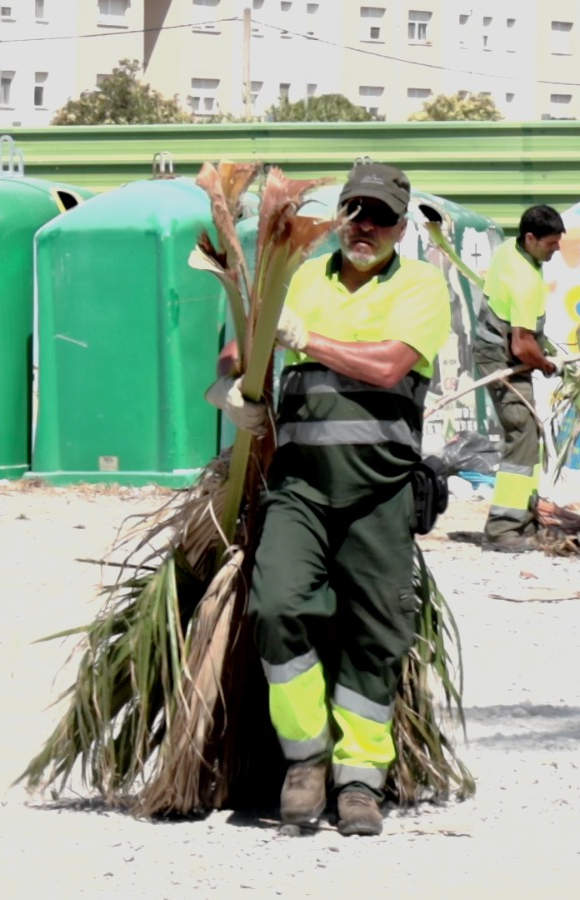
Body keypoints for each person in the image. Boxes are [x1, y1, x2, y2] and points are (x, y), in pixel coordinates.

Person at [205, 161, 451, 836]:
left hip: (380, 491)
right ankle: (305, 759)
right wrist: (237, 380)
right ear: (340, 215)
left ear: (402, 226)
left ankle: (361, 781)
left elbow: (389, 364)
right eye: (356, 212)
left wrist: (299, 336)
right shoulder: (302, 277)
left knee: (375, 632)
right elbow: (241, 345)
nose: (366, 226)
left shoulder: (423, 287)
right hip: (300, 486)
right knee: (277, 605)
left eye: (381, 216)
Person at [473, 204, 565, 552]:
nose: (557, 249)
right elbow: (522, 345)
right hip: (504, 360)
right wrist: (546, 364)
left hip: (490, 350)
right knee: (521, 436)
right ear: (531, 237)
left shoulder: (507, 251)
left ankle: (526, 519)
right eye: (551, 243)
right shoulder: (526, 283)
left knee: (528, 436)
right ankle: (503, 529)